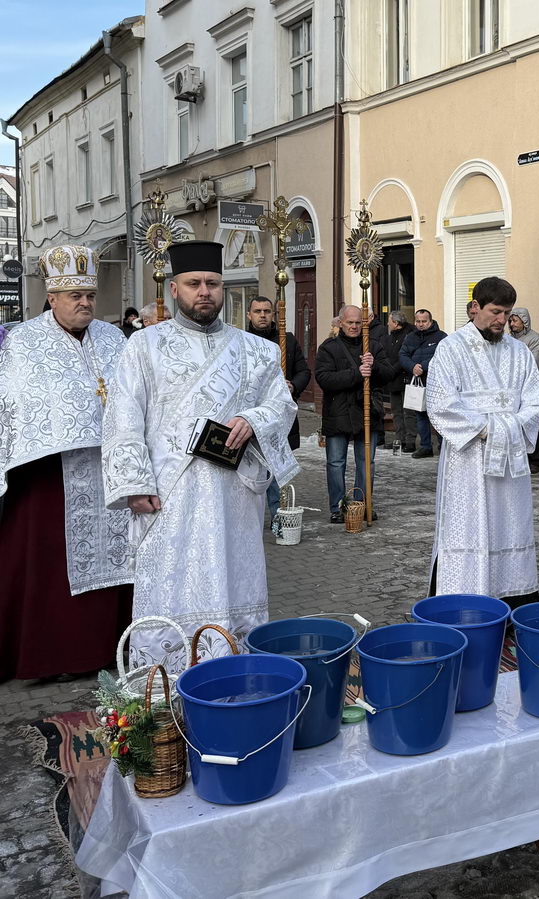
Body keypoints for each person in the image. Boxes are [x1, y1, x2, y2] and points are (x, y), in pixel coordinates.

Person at [102, 240, 298, 672]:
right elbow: (123, 418)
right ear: (175, 289)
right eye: (194, 284)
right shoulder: (143, 346)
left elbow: (282, 405)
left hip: (235, 497)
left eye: (212, 283)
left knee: (234, 584)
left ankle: (236, 676)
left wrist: (252, 419)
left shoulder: (257, 350)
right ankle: (164, 687)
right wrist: (134, 487)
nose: (204, 291)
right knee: (170, 586)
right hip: (169, 496)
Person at [0, 244, 133, 682]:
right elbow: (14, 404)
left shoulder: (114, 338)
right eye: (74, 295)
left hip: (112, 471)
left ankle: (111, 645)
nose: (85, 303)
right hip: (50, 475)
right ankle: (52, 657)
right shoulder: (23, 342)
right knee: (49, 565)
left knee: (121, 557)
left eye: (90, 295)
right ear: (52, 297)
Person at [426, 277, 539, 608]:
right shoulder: (450, 349)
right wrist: (486, 429)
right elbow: (439, 404)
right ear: (475, 308)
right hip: (468, 462)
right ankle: (463, 605)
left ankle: (514, 603)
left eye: (506, 314)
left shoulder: (520, 352)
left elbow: (536, 402)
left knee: (511, 527)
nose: (501, 321)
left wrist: (507, 428)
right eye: (495, 312)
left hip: (511, 464)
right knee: (468, 527)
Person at [315, 304, 395, 521]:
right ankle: (338, 507)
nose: (354, 327)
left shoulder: (373, 346)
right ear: (340, 322)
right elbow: (324, 379)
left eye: (358, 322)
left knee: (366, 461)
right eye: (350, 322)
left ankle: (362, 504)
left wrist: (374, 365)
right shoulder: (328, 348)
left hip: (366, 411)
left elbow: (389, 373)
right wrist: (356, 373)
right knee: (335, 462)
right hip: (338, 412)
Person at [246, 295, 311, 520]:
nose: (263, 315)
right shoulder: (240, 341)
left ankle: (277, 515)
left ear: (273, 314)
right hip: (251, 414)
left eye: (267, 311)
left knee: (274, 466)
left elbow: (304, 371)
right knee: (252, 468)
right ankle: (250, 515)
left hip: (278, 416)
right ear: (249, 315)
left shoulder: (287, 340)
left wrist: (292, 386)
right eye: (258, 311)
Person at [399, 308, 447, 458]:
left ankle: (443, 447)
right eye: (418, 321)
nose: (420, 324)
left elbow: (441, 356)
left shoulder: (441, 337)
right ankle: (426, 446)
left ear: (430, 321)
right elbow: (402, 354)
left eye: (424, 321)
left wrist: (423, 366)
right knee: (420, 415)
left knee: (438, 416)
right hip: (417, 382)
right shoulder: (410, 337)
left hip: (436, 381)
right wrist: (412, 366)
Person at [509, 306, 539, 473]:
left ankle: (536, 460)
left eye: (514, 320)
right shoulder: (508, 339)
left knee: (532, 421)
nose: (511, 323)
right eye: (510, 320)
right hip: (512, 390)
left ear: (524, 321)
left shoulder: (534, 339)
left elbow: (532, 364)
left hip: (530, 388)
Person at [385, 310, 415, 453]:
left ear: (396, 323)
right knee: (396, 411)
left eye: (389, 321)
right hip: (393, 380)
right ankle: (399, 439)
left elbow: (404, 357)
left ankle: (410, 441)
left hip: (405, 378)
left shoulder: (409, 335)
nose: (387, 323)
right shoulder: (391, 336)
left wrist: (392, 370)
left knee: (408, 412)